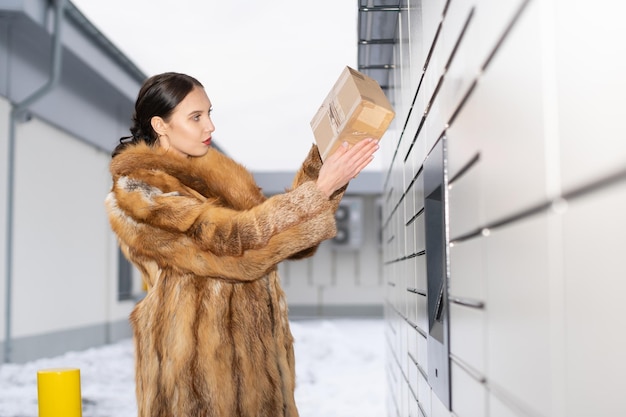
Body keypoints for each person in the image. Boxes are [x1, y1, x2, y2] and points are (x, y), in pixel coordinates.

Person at [105, 72, 379, 417]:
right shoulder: (139, 193)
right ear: (160, 125)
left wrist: (324, 163)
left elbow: (281, 241)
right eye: (196, 117)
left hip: (257, 367)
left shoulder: (217, 180)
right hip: (199, 377)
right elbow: (233, 247)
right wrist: (319, 191)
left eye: (209, 113)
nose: (210, 127)